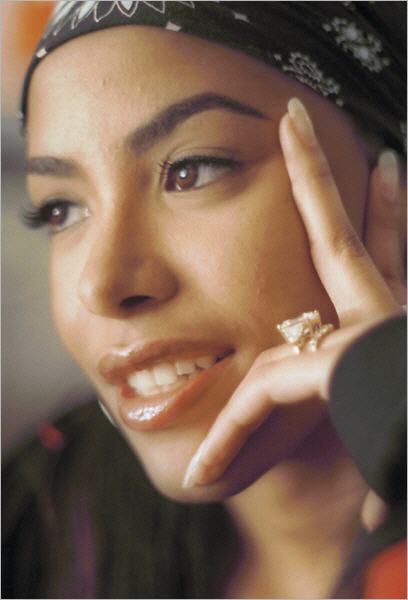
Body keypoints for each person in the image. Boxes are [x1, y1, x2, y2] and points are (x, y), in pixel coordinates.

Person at [2, 2, 406, 598]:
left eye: (193, 171)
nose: (102, 285)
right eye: (61, 210)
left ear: (392, 174)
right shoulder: (35, 532)